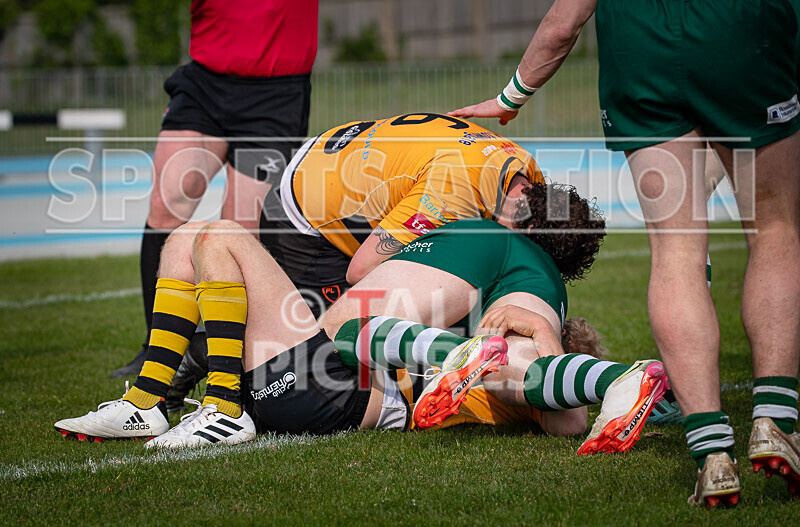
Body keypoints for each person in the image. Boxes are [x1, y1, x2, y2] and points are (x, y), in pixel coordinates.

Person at [449, 0, 800, 507]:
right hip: (739, 27)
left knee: (676, 252)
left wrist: (512, 96)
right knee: (775, 230)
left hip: (639, 44)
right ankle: (774, 419)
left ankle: (711, 453)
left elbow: (565, 21)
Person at [54, 184, 668, 452]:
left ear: (521, 219)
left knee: (218, 239)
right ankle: (151, 399)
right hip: (335, 388)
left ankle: (221, 408)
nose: (499, 192)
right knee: (193, 234)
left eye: (513, 195)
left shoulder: (495, 242)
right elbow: (555, 403)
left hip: (332, 383)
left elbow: (351, 310)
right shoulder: (540, 290)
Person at [113, 0, 318, 378]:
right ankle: (157, 350)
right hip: (205, 82)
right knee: (166, 203)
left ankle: (233, 358)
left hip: (275, 92)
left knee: (237, 229)